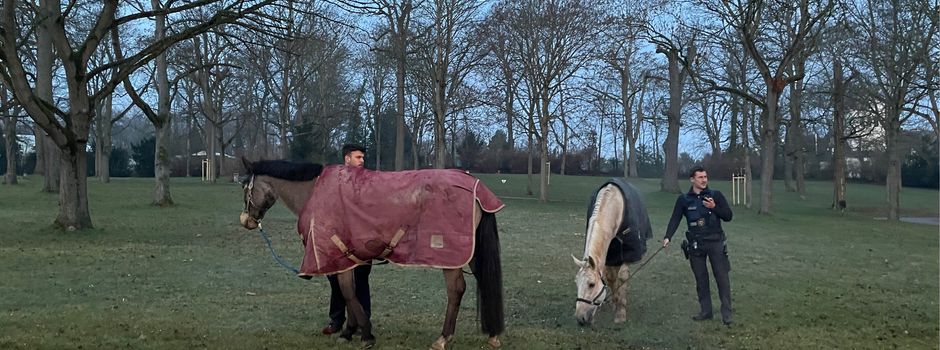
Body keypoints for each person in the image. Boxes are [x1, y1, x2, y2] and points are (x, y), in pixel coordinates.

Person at [663, 165, 734, 326]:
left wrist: (714, 207)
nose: (704, 180)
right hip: (696, 245)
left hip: (715, 242)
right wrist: (668, 237)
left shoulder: (716, 196)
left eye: (705, 177)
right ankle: (706, 311)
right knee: (701, 280)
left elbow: (728, 216)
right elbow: (675, 219)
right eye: (700, 177)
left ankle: (727, 314)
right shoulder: (684, 200)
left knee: (722, 278)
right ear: (692, 179)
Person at [322, 144, 373, 335]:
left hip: (362, 241)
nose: (362, 161)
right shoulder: (334, 180)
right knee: (336, 281)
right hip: (339, 241)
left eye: (363, 157)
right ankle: (336, 320)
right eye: (358, 157)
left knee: (360, 280)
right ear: (347, 158)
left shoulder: (368, 181)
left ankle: (363, 320)